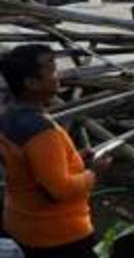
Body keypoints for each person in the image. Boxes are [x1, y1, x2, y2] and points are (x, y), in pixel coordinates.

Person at [0, 44, 110, 258]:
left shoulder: (8, 117)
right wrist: (94, 173)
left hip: (21, 223)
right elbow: (59, 191)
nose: (57, 75)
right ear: (31, 83)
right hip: (56, 235)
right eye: (51, 70)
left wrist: (75, 158)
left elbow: (29, 169)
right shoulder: (41, 131)